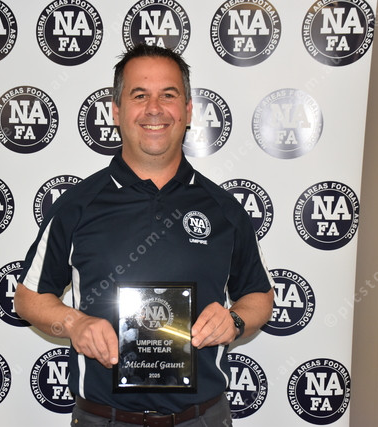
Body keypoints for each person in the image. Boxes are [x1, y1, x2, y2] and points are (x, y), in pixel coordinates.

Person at [15, 43, 274, 426]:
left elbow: (259, 296)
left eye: (168, 95)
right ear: (117, 111)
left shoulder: (224, 210)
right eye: (140, 96)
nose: (155, 108)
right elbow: (28, 298)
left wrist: (234, 321)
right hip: (103, 419)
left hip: (202, 418)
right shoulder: (77, 205)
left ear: (188, 111)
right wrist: (74, 324)